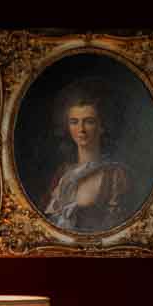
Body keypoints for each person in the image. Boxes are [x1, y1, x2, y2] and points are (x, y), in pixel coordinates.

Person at [41, 81, 132, 232]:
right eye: (74, 122)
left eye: (89, 122)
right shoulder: (62, 173)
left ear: (102, 126)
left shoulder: (115, 174)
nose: (81, 129)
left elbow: (117, 228)